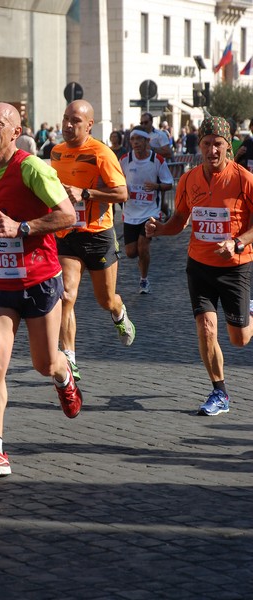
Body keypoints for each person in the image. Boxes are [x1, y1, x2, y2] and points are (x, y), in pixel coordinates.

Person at [0, 102, 82, 479]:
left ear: (15, 129)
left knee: (45, 363)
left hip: (39, 281)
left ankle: (64, 376)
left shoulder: (31, 167)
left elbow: (68, 216)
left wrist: (22, 228)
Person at [145, 116, 253, 416]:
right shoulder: (189, 179)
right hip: (199, 265)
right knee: (206, 328)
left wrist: (237, 243)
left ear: (227, 147)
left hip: (235, 266)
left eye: (218, 144)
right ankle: (220, 392)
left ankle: (250, 310)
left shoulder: (244, 179)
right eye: (206, 144)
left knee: (239, 339)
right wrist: (158, 229)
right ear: (200, 146)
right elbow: (179, 221)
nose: (212, 150)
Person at [50, 99, 135, 382]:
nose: (68, 125)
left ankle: (119, 313)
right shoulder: (57, 152)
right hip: (68, 233)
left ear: (89, 125)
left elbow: (122, 193)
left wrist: (86, 194)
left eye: (75, 120)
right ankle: (69, 358)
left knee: (105, 299)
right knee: (66, 296)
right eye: (65, 119)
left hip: (98, 235)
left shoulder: (101, 153)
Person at [120, 126, 173, 294]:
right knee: (130, 252)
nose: (135, 143)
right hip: (130, 213)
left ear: (147, 141)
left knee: (143, 247)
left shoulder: (157, 160)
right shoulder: (124, 159)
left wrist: (156, 186)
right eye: (133, 140)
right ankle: (142, 261)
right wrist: (123, 189)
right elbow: (117, 181)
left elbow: (169, 183)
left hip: (150, 211)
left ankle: (144, 280)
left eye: (139, 139)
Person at [140, 112, 173, 219]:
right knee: (144, 199)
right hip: (143, 170)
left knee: (158, 200)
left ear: (151, 122)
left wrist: (152, 149)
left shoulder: (160, 135)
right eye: (142, 123)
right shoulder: (139, 136)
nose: (144, 125)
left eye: (146, 122)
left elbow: (168, 152)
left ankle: (165, 213)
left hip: (157, 171)